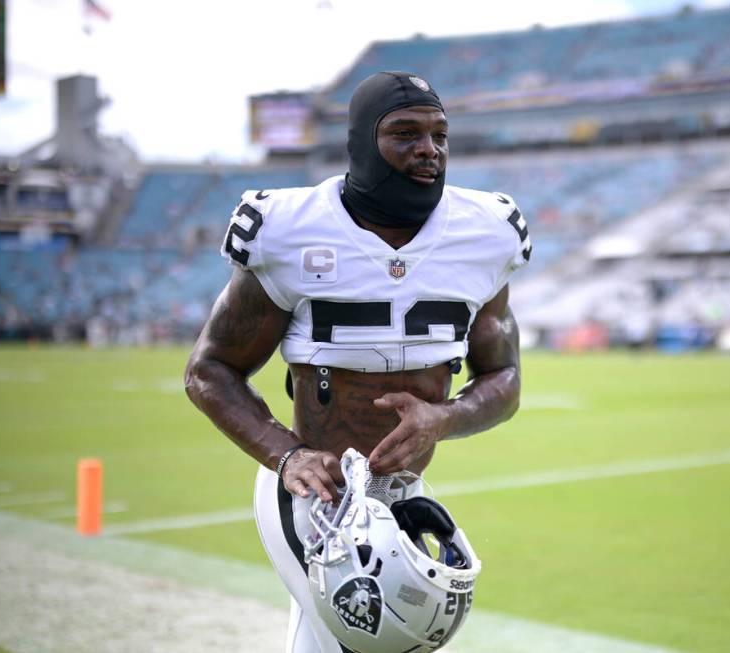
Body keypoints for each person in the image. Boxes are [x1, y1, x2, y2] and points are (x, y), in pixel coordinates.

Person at [184, 71, 531, 652]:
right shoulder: (289, 228)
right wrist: (286, 454)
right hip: (312, 493)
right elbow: (209, 370)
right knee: (378, 644)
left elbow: (505, 378)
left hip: (402, 491)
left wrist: (442, 418)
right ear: (362, 143)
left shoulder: (487, 232)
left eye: (439, 134)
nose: (429, 149)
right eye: (405, 133)